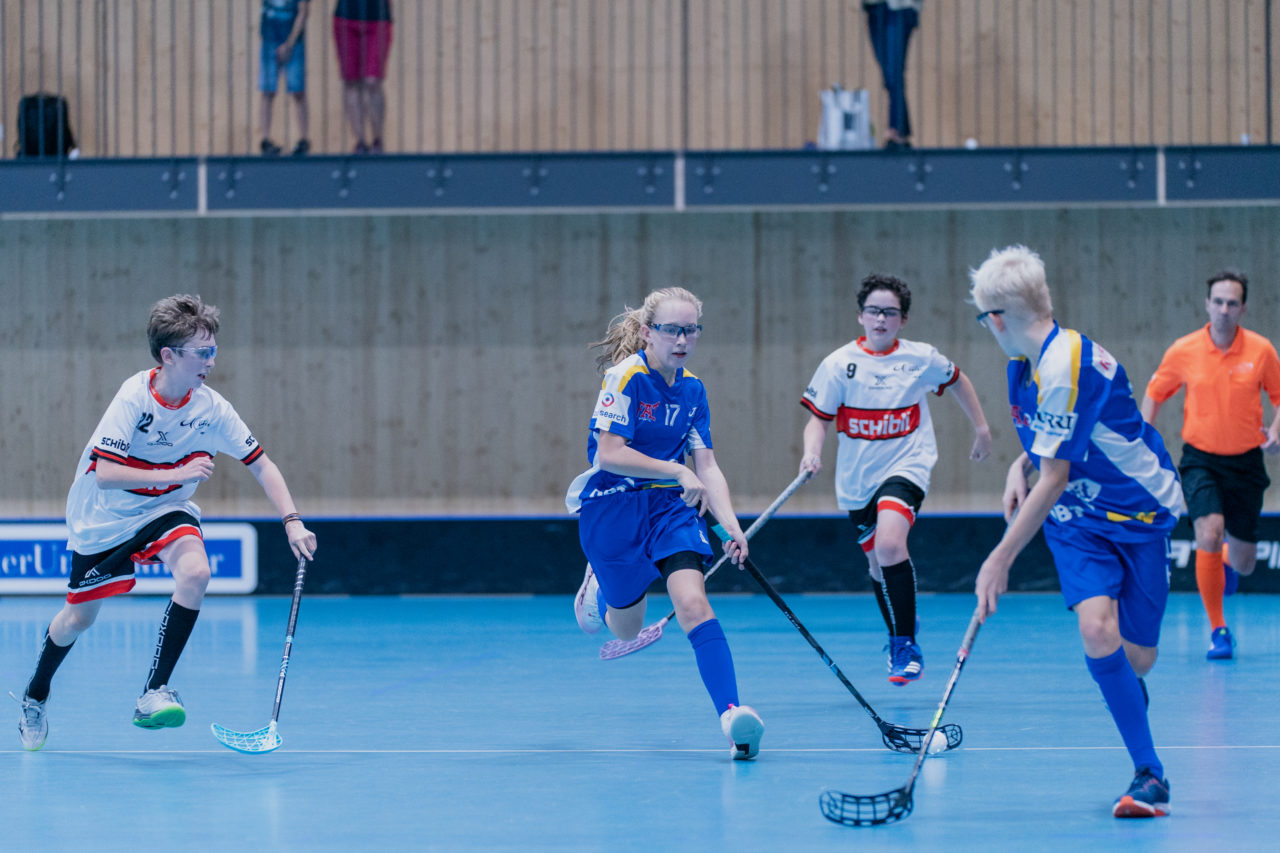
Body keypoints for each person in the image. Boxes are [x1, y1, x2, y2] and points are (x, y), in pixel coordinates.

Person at [11, 294, 317, 751]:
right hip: (104, 517)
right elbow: (107, 474)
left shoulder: (212, 408)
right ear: (169, 356)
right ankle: (36, 695)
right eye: (203, 352)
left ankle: (153, 692)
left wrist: (292, 520)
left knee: (196, 572)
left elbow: (262, 464)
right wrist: (175, 472)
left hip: (165, 511)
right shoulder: (134, 396)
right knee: (77, 618)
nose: (211, 362)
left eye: (214, 350)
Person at [970, 246, 1183, 818]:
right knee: (1097, 629)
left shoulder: (1067, 365)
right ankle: (1150, 776)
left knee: (1136, 659)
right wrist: (1020, 465)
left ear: (996, 317)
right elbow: (1048, 455)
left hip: (1141, 513)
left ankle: (1128, 698)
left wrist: (999, 558)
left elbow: (1057, 473)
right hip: (1078, 519)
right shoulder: (1024, 364)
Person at [565, 287, 763, 760]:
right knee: (626, 629)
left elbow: (707, 466)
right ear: (649, 333)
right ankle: (598, 583)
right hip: (612, 507)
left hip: (669, 511)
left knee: (694, 602)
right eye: (671, 330)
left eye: (690, 330)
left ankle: (732, 716)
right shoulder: (626, 376)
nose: (682, 339)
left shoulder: (693, 390)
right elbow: (610, 453)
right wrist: (677, 469)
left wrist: (731, 523)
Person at [799, 273, 991, 685]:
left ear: (903, 320)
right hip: (856, 482)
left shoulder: (921, 359)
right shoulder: (838, 365)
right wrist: (811, 452)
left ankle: (905, 645)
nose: (881, 319)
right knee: (877, 565)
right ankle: (900, 627)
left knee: (889, 544)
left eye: (890, 312)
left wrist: (981, 428)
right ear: (860, 317)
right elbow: (818, 419)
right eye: (874, 311)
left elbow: (957, 380)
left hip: (908, 465)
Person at [1140, 269, 1280, 660]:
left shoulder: (1261, 351)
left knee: (1245, 563)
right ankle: (1219, 629)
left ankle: (1223, 562)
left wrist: (1277, 431)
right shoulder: (1184, 350)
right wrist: (1141, 443)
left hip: (1247, 462)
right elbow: (1154, 395)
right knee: (1209, 531)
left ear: (1243, 308)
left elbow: (1279, 396)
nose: (1223, 309)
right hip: (1200, 460)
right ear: (1207, 304)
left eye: (1232, 303)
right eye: (1217, 301)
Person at [333, 0, 393, 154]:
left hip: (378, 18)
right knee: (351, 81)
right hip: (346, 18)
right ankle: (360, 141)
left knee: (372, 81)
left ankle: (378, 140)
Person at [862, 0, 921, 149]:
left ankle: (896, 131)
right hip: (874, 7)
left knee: (893, 71)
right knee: (889, 75)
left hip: (900, 7)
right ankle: (902, 131)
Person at [259, 0, 311, 156]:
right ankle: (265, 139)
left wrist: (289, 43)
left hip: (295, 43)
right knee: (267, 91)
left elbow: (303, 12)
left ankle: (303, 139)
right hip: (269, 40)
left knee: (298, 91)